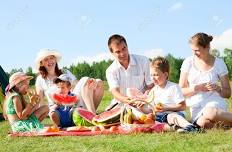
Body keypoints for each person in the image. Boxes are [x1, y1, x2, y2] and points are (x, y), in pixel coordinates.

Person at [179, 32, 232, 129]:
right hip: (196, 106)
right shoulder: (188, 62)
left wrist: (218, 89)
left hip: (214, 103)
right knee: (203, 123)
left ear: (207, 47)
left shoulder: (219, 63)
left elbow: (228, 93)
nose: (194, 53)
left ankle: (225, 119)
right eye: (192, 50)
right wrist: (196, 88)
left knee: (210, 112)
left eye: (197, 50)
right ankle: (228, 124)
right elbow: (180, 91)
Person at [35, 49, 104, 117]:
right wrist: (48, 112)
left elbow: (78, 85)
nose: (50, 61)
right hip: (60, 110)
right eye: (46, 59)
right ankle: (93, 115)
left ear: (55, 59)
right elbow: (40, 101)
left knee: (98, 82)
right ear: (42, 63)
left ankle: (90, 114)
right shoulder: (40, 79)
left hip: (75, 103)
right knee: (85, 79)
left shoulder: (65, 72)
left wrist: (90, 82)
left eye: (51, 58)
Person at [140, 57, 198, 132]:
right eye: (151, 75)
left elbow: (183, 106)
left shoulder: (173, 87)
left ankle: (190, 127)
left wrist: (166, 108)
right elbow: (151, 110)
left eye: (156, 75)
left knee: (171, 117)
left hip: (174, 114)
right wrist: (142, 108)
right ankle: (177, 129)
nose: (153, 78)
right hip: (159, 117)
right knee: (152, 121)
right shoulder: (153, 90)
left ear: (165, 74)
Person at [106, 34, 153, 110]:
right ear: (112, 53)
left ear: (127, 46)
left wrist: (145, 97)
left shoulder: (144, 61)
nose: (122, 54)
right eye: (118, 52)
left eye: (124, 48)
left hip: (143, 102)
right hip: (121, 103)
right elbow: (115, 92)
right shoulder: (110, 70)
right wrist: (128, 100)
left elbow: (151, 86)